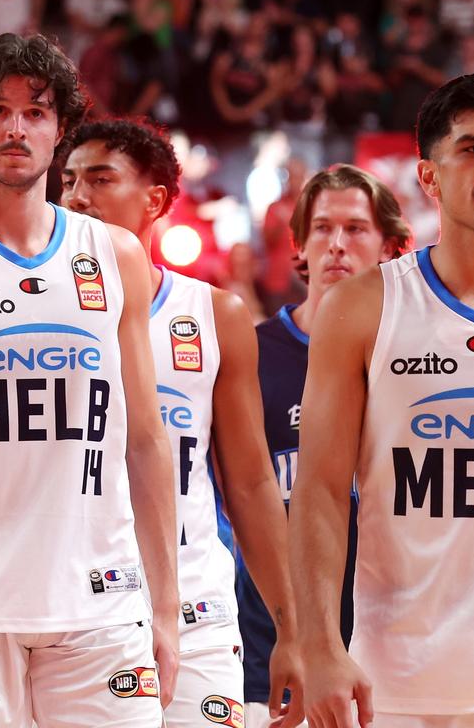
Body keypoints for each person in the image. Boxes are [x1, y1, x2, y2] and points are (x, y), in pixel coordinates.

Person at [0, 33, 178, 727]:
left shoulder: (114, 254)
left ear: (60, 129)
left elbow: (144, 440)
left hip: (99, 601)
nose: (16, 127)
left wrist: (165, 612)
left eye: (37, 111)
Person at [291, 71, 474, 728]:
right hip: (398, 675)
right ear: (428, 177)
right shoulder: (362, 307)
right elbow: (318, 491)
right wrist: (318, 645)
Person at [59, 118, 303, 728]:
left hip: (197, 608)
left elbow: (248, 484)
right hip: (75, 602)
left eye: (99, 178)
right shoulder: (34, 305)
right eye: (67, 181)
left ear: (156, 201)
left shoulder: (214, 314)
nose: (76, 196)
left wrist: (293, 630)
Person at [241, 164, 410, 728]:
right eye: (321, 228)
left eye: (357, 229)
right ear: (299, 245)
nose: (337, 245)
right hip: (276, 634)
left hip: (393, 629)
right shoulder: (252, 352)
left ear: (389, 246)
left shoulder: (416, 359)